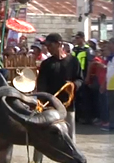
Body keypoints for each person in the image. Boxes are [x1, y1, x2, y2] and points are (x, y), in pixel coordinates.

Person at [33, 33, 82, 163]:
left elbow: (79, 79)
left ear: (59, 44)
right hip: (49, 106)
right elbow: (41, 84)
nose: (47, 48)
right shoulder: (46, 64)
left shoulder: (73, 61)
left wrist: (73, 85)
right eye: (46, 45)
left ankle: (73, 160)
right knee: (42, 136)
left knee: (69, 136)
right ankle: (37, 161)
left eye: (50, 45)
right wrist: (40, 102)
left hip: (68, 105)